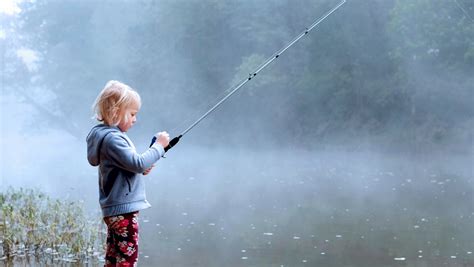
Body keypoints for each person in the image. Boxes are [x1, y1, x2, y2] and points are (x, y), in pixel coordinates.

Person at [86, 80, 170, 266]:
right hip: (123, 210)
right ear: (116, 112)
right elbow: (138, 163)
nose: (135, 119)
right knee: (127, 259)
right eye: (132, 114)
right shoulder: (113, 139)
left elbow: (131, 165)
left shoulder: (105, 136)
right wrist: (159, 146)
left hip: (114, 210)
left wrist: (141, 169)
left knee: (113, 256)